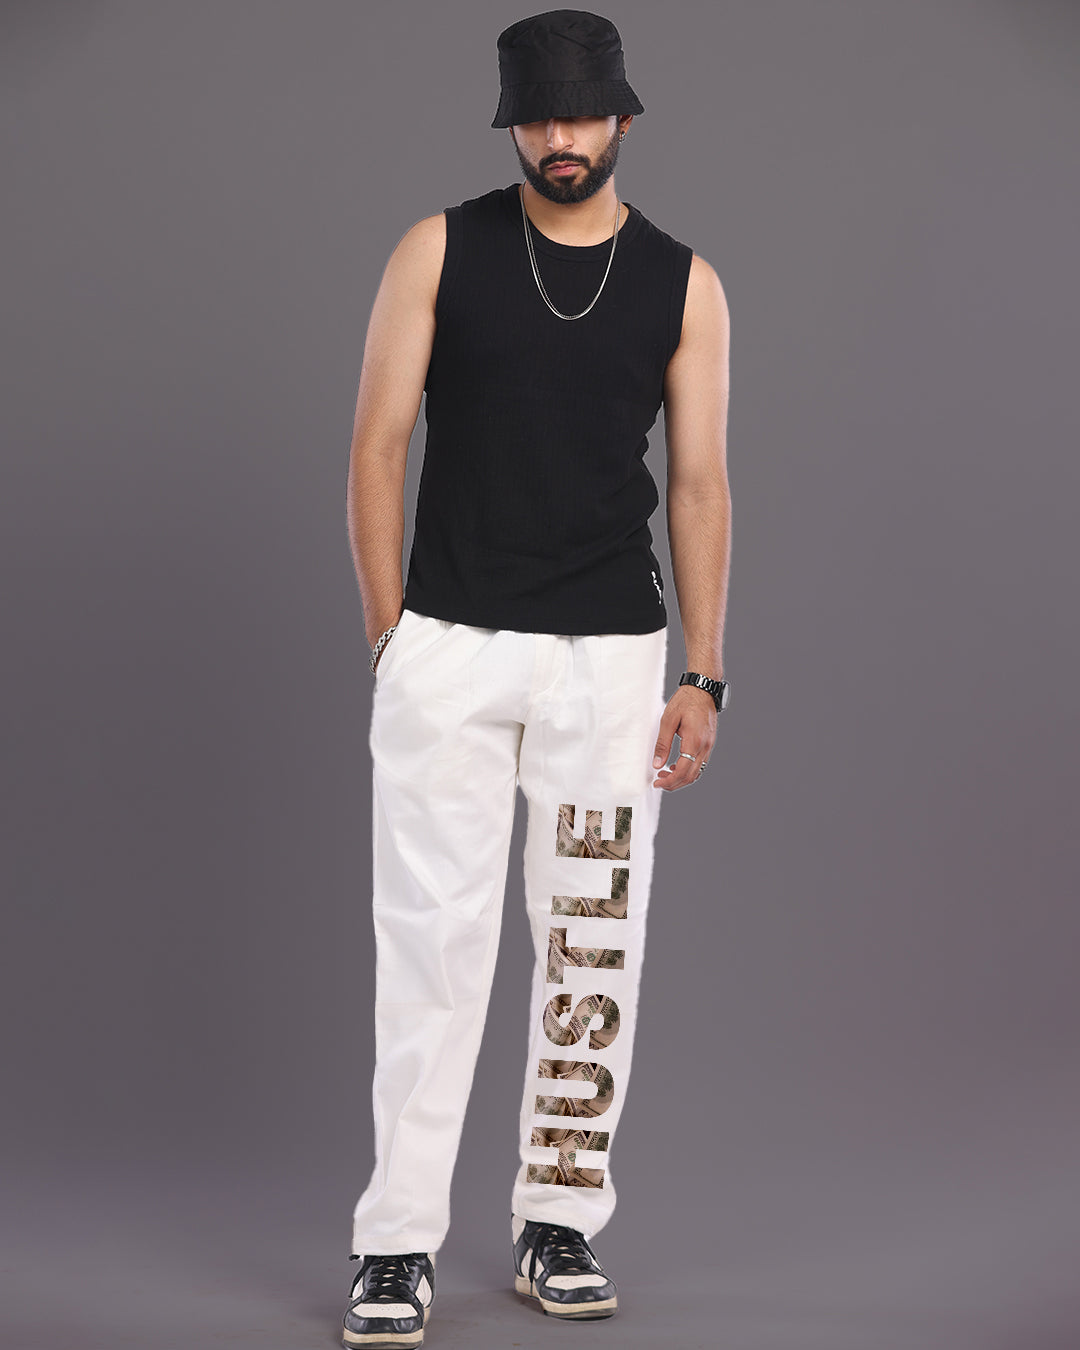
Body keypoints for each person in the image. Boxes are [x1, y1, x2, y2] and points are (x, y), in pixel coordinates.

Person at [341, 9, 731, 1347]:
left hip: (611, 659)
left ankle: (556, 1221)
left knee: (590, 949)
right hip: (449, 647)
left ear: (622, 115)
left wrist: (705, 671)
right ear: (512, 121)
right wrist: (392, 637)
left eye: (583, 113)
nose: (562, 137)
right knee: (430, 947)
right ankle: (396, 1241)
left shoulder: (685, 283)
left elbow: (700, 483)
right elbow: (378, 442)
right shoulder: (439, 249)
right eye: (539, 115)